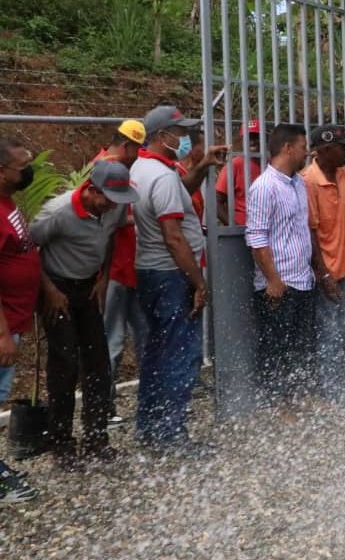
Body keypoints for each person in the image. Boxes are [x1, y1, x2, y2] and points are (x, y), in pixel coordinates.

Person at [30, 160, 139, 468]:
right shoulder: (58, 213)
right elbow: (28, 250)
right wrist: (49, 290)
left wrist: (103, 278)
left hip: (89, 287)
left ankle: (96, 439)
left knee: (99, 363)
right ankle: (62, 444)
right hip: (57, 289)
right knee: (64, 365)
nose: (113, 206)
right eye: (108, 199)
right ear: (91, 191)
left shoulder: (113, 207)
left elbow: (113, 237)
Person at [129, 105, 209, 451]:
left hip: (151, 272)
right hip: (172, 274)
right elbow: (173, 236)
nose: (185, 138)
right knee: (181, 354)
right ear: (163, 137)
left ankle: (149, 428)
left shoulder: (144, 168)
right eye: (179, 133)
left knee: (156, 352)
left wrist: (203, 167)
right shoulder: (161, 176)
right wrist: (198, 282)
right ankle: (171, 434)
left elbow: (179, 190)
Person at [245, 124, 316, 407]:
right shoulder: (264, 187)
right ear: (288, 148)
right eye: (303, 147)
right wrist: (273, 280)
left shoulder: (298, 183)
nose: (307, 152)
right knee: (276, 348)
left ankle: (302, 395)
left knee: (302, 345)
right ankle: (278, 404)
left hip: (302, 279)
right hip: (279, 284)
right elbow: (257, 238)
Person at [302, 124, 345, 400]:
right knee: (330, 332)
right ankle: (332, 392)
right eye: (343, 147)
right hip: (327, 269)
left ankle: (338, 387)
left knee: (342, 328)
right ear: (326, 149)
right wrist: (323, 274)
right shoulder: (308, 180)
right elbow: (311, 231)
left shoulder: (342, 173)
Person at [94, 119, 147, 424]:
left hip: (128, 267)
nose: (137, 155)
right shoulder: (104, 170)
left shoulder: (111, 167)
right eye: (136, 150)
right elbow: (102, 224)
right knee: (111, 341)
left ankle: (132, 401)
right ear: (127, 145)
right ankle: (103, 409)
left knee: (140, 336)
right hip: (112, 271)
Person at [0, 136, 40, 504]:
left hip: (16, 319)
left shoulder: (8, 203)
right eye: (21, 165)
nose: (28, 170)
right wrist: (3, 335)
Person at [216, 119, 263, 225]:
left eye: (256, 137)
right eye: (248, 138)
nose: (252, 141)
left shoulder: (271, 164)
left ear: (264, 138)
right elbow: (216, 202)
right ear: (242, 140)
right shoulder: (235, 165)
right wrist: (234, 226)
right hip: (242, 229)